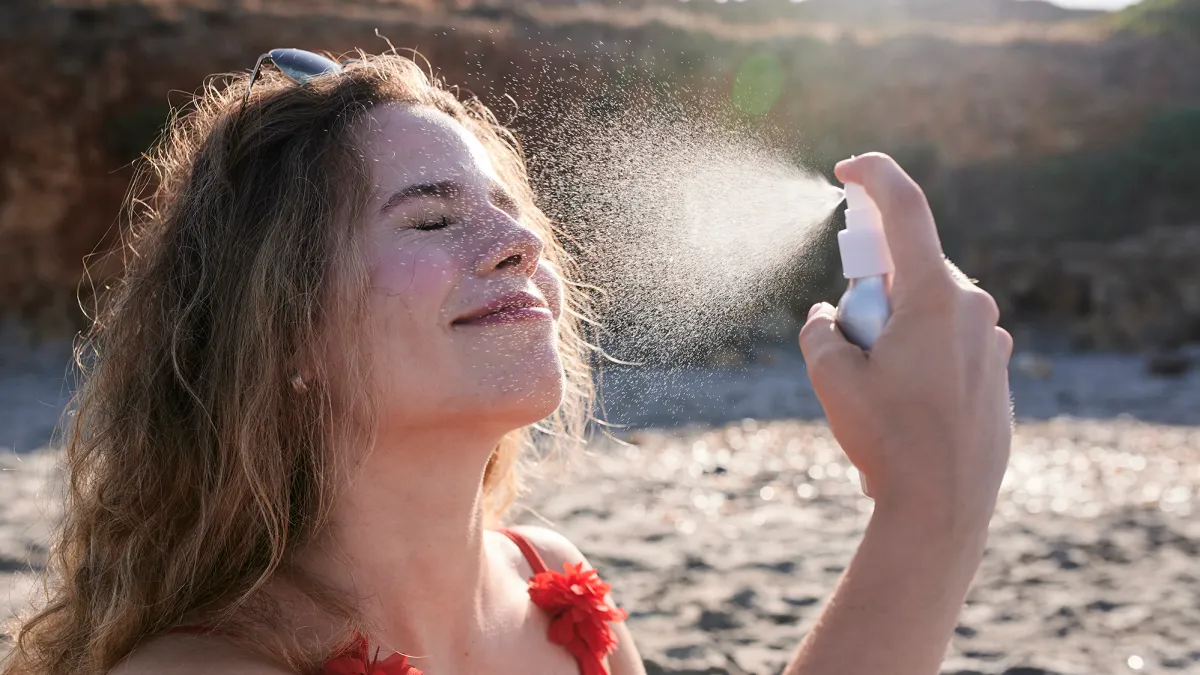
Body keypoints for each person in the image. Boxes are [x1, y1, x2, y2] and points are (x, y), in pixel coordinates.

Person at [1, 50, 1012, 675]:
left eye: (512, 212)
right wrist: (930, 505)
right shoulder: (200, 674)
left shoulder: (559, 587)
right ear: (285, 330)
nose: (518, 243)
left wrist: (928, 502)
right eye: (433, 216)